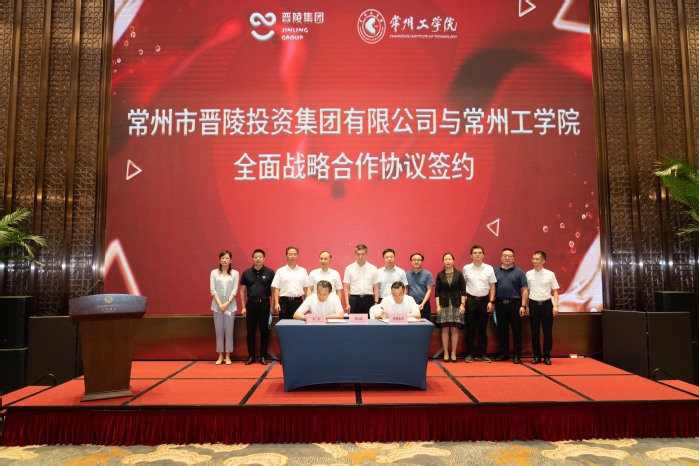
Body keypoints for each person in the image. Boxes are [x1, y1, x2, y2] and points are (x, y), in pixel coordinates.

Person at [240, 248, 275, 365]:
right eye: (255, 257)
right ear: (252, 258)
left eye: (260, 257)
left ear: (264, 258)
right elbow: (242, 291)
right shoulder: (246, 273)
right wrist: (243, 307)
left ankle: (263, 356)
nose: (258, 259)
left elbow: (273, 290)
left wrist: (272, 305)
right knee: (250, 331)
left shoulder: (270, 272)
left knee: (264, 331)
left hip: (265, 304)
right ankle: (251, 356)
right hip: (251, 305)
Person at [493, 248, 528, 364]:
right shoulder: (495, 271)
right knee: (502, 330)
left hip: (515, 304)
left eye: (510, 256)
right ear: (501, 257)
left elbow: (524, 289)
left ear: (514, 258)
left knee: (517, 330)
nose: (507, 258)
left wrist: (523, 305)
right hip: (500, 304)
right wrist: (492, 302)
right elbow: (492, 288)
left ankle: (517, 355)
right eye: (505, 256)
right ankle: (504, 353)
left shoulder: (520, 272)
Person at [462, 245, 496, 363]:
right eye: (475, 253)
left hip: (484, 301)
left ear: (483, 255)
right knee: (470, 328)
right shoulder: (466, 268)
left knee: (482, 328)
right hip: (470, 300)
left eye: (479, 253)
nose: (477, 255)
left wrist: (491, 301)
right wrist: (463, 302)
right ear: (471, 255)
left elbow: (492, 286)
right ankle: (469, 353)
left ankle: (482, 353)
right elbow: (463, 286)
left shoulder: (489, 268)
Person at [526, 250, 560, 365]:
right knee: (534, 332)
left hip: (546, 305)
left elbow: (555, 291)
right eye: (533, 259)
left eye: (537, 259)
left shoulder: (550, 274)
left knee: (547, 332)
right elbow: (526, 291)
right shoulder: (528, 274)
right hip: (533, 305)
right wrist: (526, 305)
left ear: (543, 261)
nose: (534, 261)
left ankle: (547, 355)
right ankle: (536, 356)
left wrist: (556, 306)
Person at [435, 252, 467, 363]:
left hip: (456, 304)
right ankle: (446, 352)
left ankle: (453, 352)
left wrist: (462, 304)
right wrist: (437, 306)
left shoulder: (459, 274)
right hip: (443, 305)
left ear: (453, 261)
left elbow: (463, 291)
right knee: (444, 329)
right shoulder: (440, 275)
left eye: (450, 259)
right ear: (443, 262)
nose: (448, 261)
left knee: (454, 329)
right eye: (446, 259)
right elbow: (437, 292)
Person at [210, 250, 239, 365]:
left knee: (229, 331)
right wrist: (219, 304)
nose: (225, 260)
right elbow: (213, 289)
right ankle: (220, 355)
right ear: (219, 260)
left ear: (231, 260)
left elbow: (235, 290)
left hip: (230, 307)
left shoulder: (235, 273)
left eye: (227, 258)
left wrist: (227, 303)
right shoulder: (214, 273)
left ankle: (228, 355)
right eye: (222, 258)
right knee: (219, 331)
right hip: (217, 307)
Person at [271, 246, 310, 320]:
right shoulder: (280, 271)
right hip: (284, 303)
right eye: (290, 254)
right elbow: (276, 289)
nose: (292, 256)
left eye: (294, 254)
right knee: (284, 324)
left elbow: (306, 289)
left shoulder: (303, 271)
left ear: (297, 256)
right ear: (286, 256)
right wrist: (276, 303)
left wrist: (307, 304)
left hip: (298, 302)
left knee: (299, 324)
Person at [343, 244, 379, 314]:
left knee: (369, 320)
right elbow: (346, 288)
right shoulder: (349, 268)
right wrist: (347, 303)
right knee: (354, 320)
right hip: (354, 300)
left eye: (363, 254)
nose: (360, 256)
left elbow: (376, 287)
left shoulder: (373, 268)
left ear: (366, 254)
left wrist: (376, 302)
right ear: (355, 254)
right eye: (358, 254)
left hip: (368, 299)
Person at [406, 252, 435, 319]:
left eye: (418, 260)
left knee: (425, 323)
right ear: (411, 262)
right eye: (414, 260)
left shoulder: (428, 274)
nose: (416, 262)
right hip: (411, 304)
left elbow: (429, 290)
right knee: (411, 323)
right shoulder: (406, 274)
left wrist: (423, 303)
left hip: (424, 304)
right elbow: (405, 290)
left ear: (422, 261)